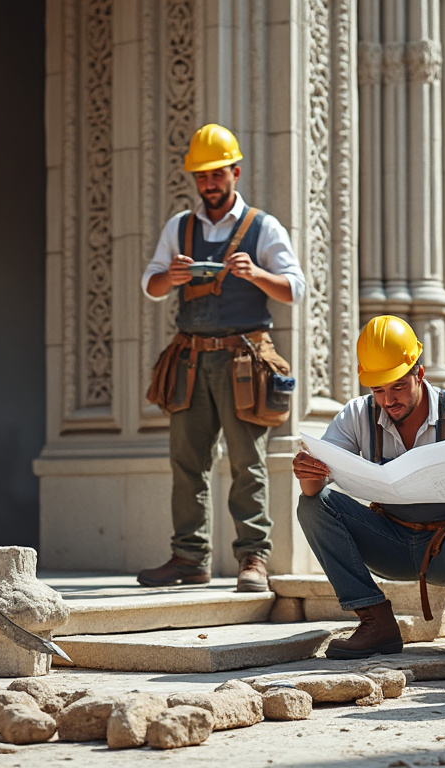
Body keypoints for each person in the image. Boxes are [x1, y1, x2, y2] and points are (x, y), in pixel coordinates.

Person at [139, 123, 305, 593]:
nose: (209, 183)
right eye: (202, 176)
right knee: (186, 461)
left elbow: (294, 289)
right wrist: (169, 278)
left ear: (235, 171)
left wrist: (256, 276)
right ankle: (189, 558)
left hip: (243, 361)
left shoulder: (263, 226)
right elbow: (150, 286)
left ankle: (254, 558)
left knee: (246, 461)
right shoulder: (180, 227)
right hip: (190, 358)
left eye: (217, 174)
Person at [292, 315, 445, 659]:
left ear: (419, 374)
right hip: (388, 542)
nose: (388, 400)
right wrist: (308, 472)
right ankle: (375, 620)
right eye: (378, 390)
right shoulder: (357, 415)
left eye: (397, 387)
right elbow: (315, 488)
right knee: (313, 505)